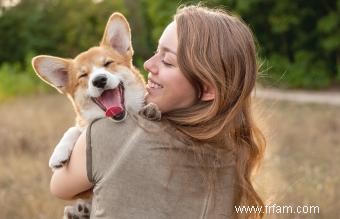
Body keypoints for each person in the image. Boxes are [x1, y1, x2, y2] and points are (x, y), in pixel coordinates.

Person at [50, 5, 266, 219]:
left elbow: (59, 187)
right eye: (156, 51)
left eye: (167, 61)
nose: (146, 64)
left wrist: (79, 135)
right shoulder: (234, 151)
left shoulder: (110, 135)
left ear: (208, 88)